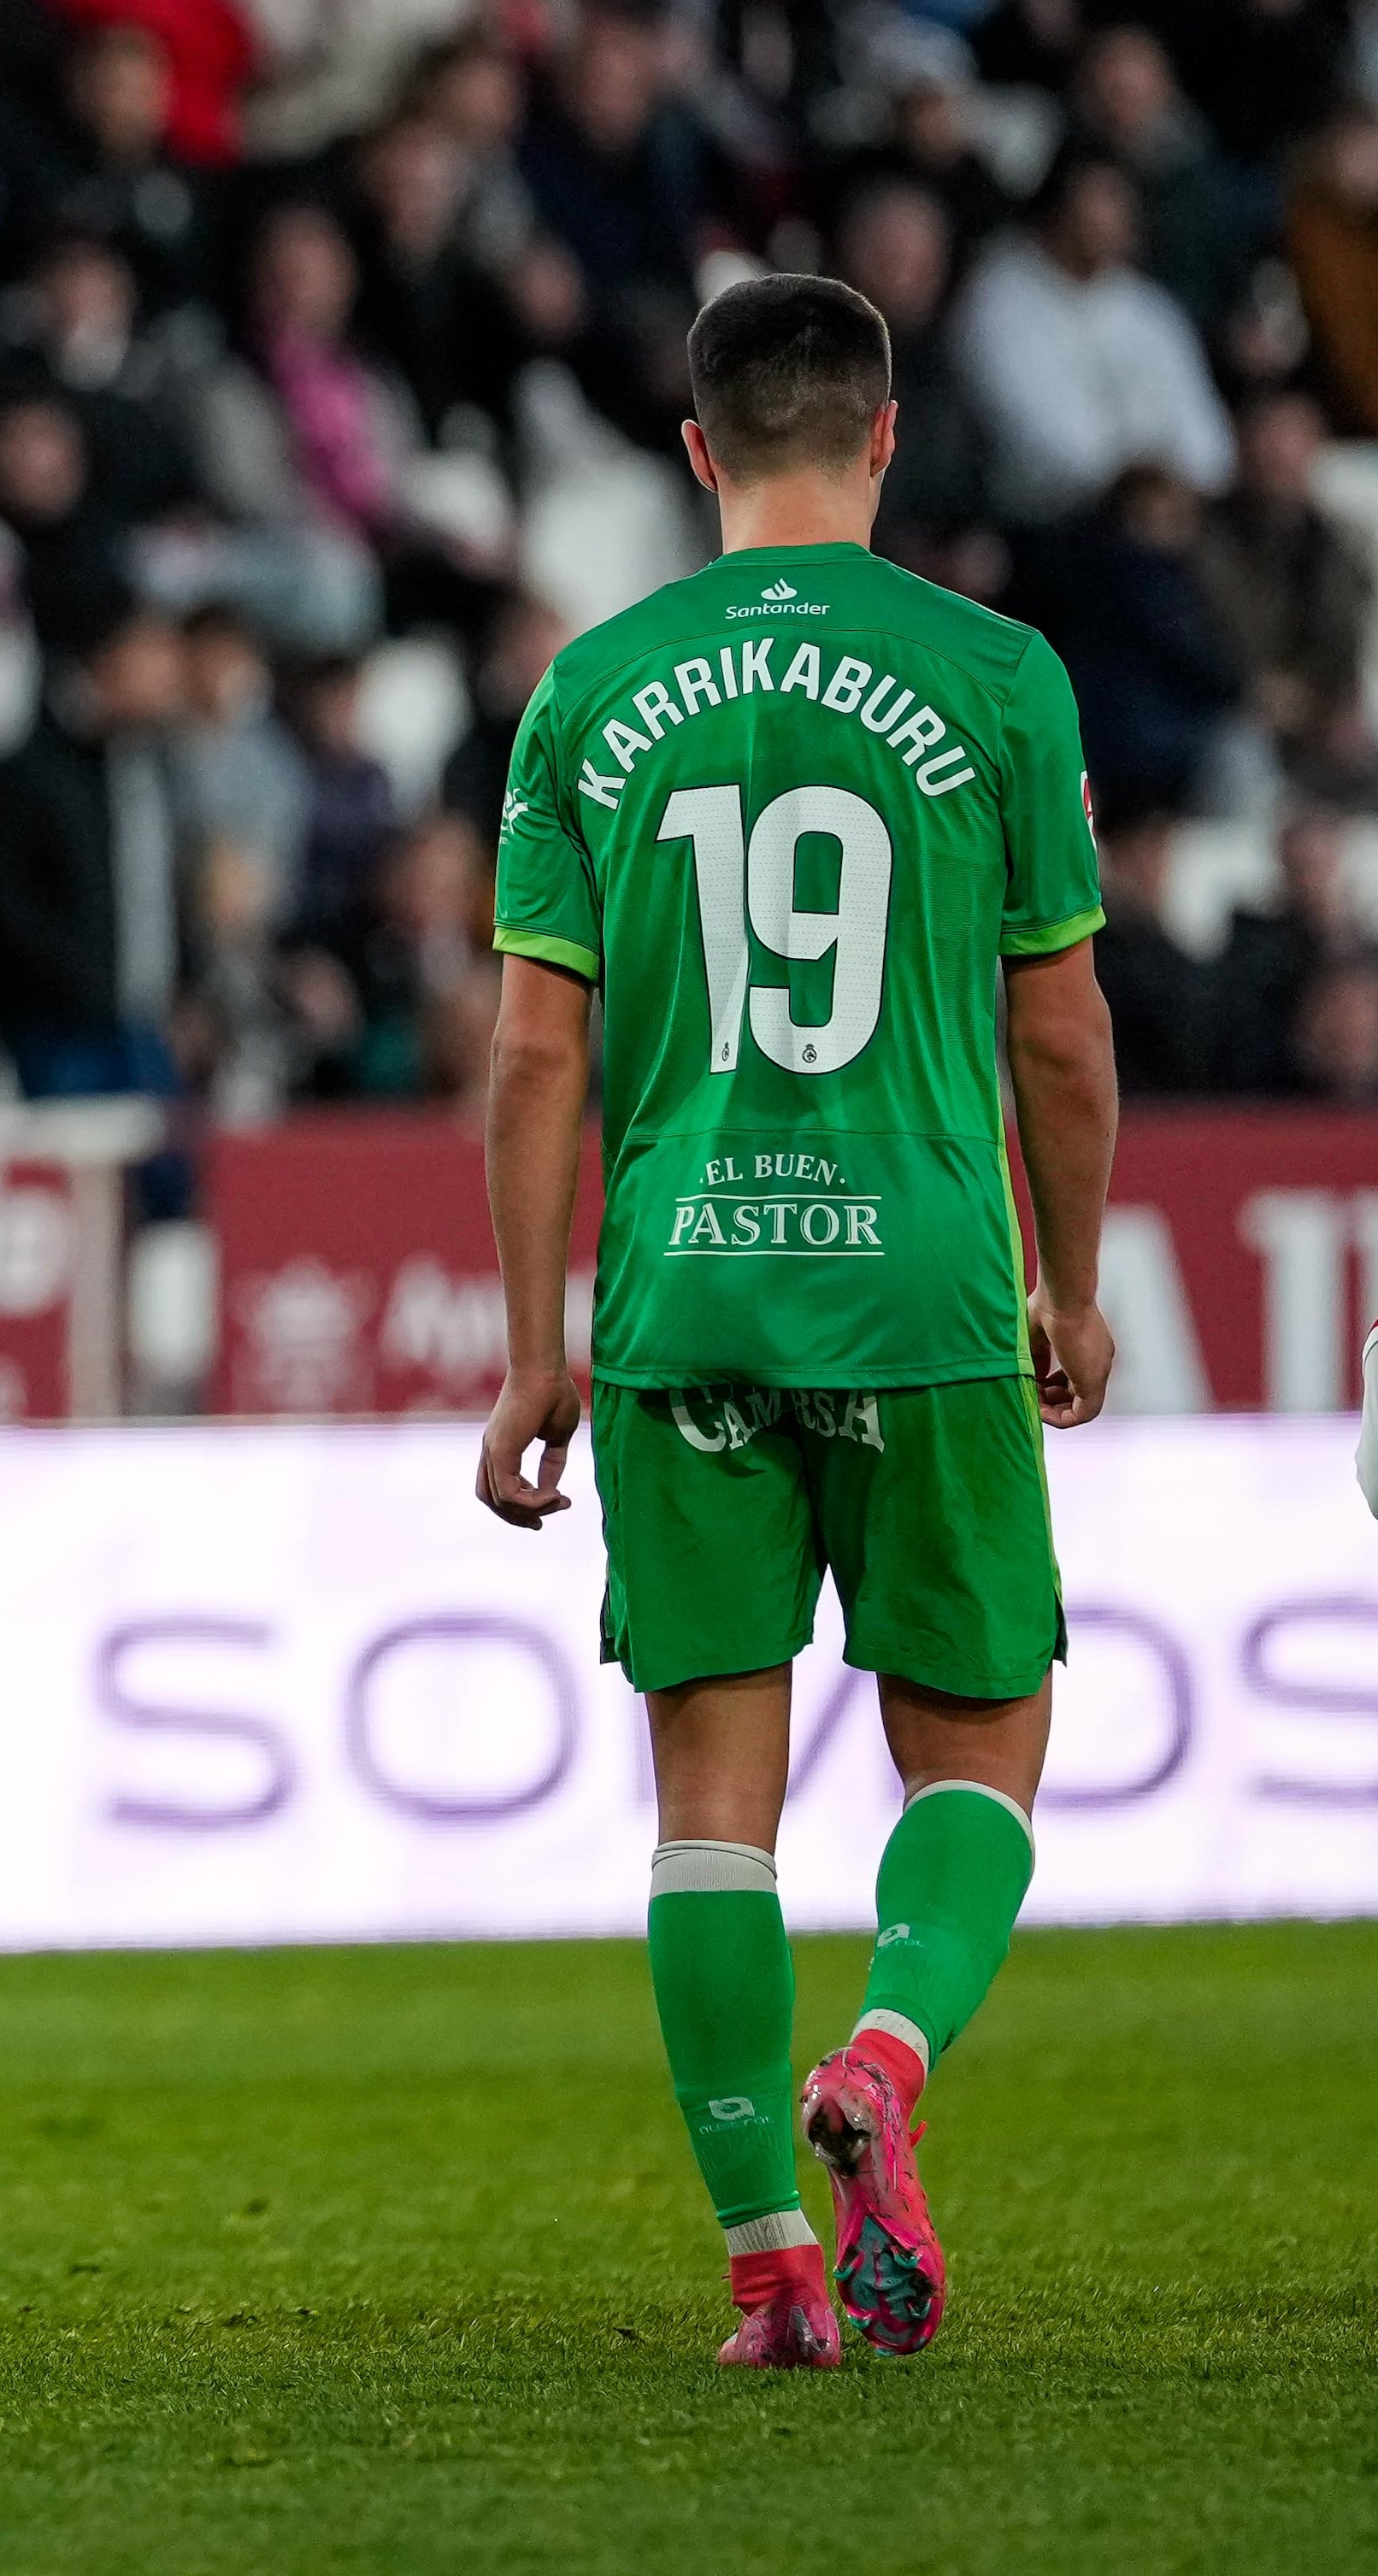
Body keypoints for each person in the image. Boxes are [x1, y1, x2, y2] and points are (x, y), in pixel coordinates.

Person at [476, 273, 1116, 2369]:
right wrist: (1075, 1276)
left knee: (709, 1800)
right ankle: (890, 2050)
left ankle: (767, 2258)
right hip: (924, 1276)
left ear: (692, 450)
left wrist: (531, 1343)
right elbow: (1063, 1031)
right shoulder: (998, 671)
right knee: (980, 1735)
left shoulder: (589, 684)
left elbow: (528, 1060)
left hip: (682, 1293)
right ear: (886, 437)